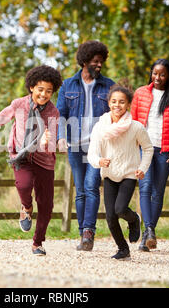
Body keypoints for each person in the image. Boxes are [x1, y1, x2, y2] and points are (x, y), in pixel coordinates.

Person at [0, 65, 63, 256]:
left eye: (48, 91)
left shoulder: (53, 112)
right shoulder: (19, 104)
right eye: (40, 89)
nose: (44, 94)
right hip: (21, 155)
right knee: (23, 185)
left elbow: (52, 143)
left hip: (44, 159)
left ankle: (37, 243)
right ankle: (26, 207)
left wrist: (46, 142)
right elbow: (2, 116)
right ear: (31, 87)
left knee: (46, 204)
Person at [56, 40, 115, 251]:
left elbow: (116, 113)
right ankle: (83, 235)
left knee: (91, 187)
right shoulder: (68, 85)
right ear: (84, 61)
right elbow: (60, 114)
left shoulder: (109, 86)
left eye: (101, 62)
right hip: (75, 144)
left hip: (98, 146)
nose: (99, 65)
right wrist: (61, 137)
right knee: (80, 190)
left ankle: (89, 231)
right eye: (95, 61)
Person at [88, 83, 153, 260]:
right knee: (110, 216)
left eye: (122, 102)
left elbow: (148, 148)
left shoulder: (136, 127)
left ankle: (134, 220)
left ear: (128, 105)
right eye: (114, 101)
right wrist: (99, 161)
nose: (117, 105)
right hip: (109, 174)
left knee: (120, 209)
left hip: (129, 174)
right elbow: (92, 153)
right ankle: (123, 249)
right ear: (109, 103)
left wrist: (142, 168)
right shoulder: (100, 127)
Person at [131, 58, 169, 252]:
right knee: (145, 188)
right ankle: (149, 230)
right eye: (155, 73)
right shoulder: (140, 93)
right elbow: (134, 120)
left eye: (162, 74)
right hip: (143, 148)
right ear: (151, 73)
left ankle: (148, 233)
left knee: (158, 191)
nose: (158, 77)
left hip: (164, 150)